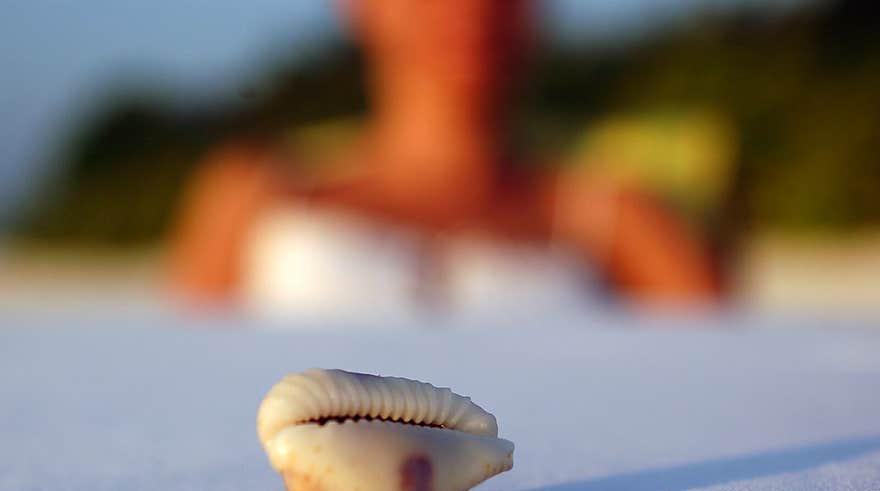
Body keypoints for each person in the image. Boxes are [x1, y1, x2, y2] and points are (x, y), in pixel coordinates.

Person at [168, 0, 721, 317]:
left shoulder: (614, 210)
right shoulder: (252, 192)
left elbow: (732, 382)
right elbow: (171, 389)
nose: (472, 7)